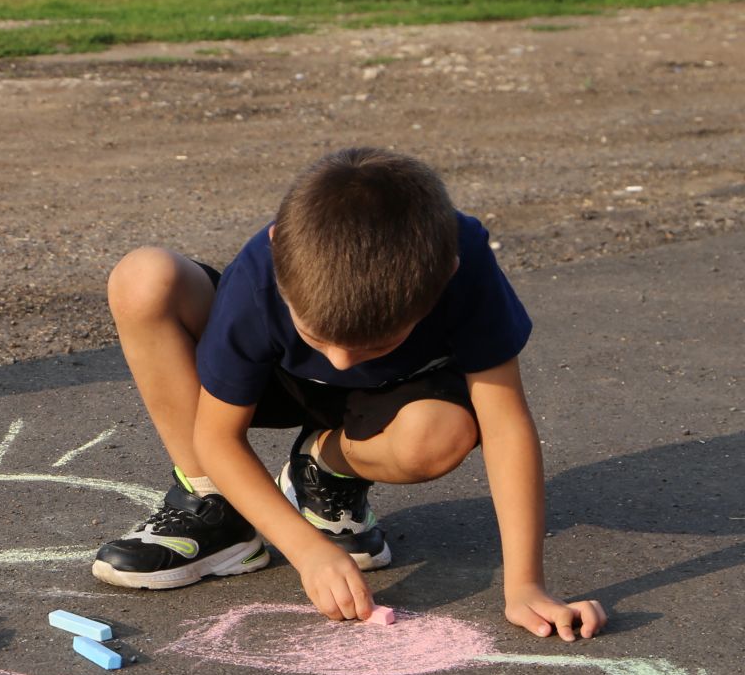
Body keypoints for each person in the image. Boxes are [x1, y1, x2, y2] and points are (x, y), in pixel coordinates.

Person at [93, 146, 605, 641]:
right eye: (319, 336)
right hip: (277, 380)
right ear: (278, 249)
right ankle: (215, 509)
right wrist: (307, 550)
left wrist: (525, 585)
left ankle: (325, 468)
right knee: (144, 277)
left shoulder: (463, 258)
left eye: (374, 342)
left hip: (391, 399)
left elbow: (505, 422)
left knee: (440, 434)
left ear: (444, 274)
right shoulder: (261, 271)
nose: (337, 361)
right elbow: (218, 436)